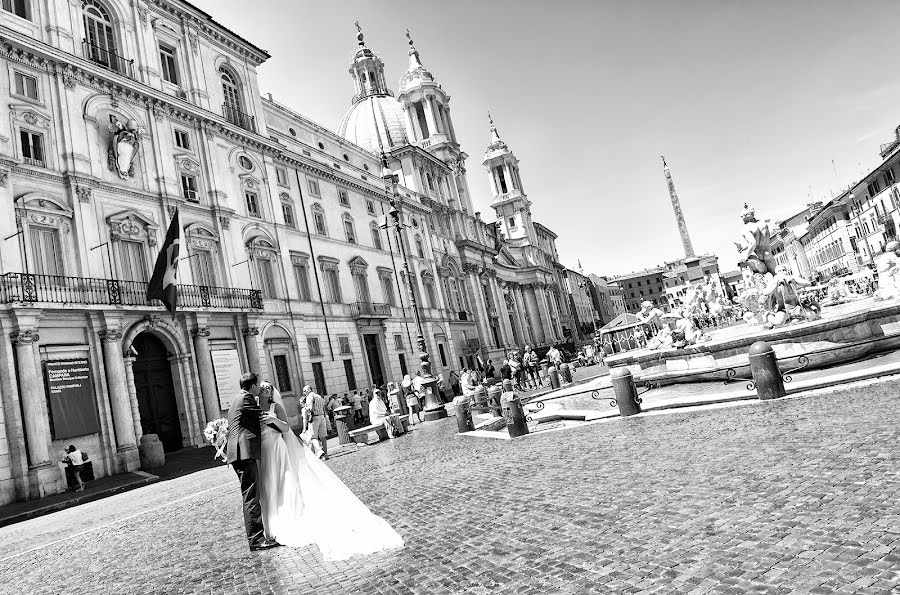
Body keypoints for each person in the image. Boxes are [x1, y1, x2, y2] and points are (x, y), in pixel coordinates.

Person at [254, 379, 404, 559]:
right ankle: (270, 519)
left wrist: (272, 419)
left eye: (268, 388)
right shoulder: (254, 406)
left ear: (271, 392)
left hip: (276, 448)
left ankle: (282, 518)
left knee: (280, 481)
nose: (264, 389)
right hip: (263, 450)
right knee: (267, 484)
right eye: (262, 387)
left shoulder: (275, 407)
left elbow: (285, 428)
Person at [226, 372, 278, 551]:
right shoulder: (247, 398)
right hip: (244, 452)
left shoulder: (237, 398)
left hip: (238, 452)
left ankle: (256, 538)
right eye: (258, 386)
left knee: (249, 495)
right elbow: (262, 417)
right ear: (254, 386)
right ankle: (256, 539)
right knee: (251, 497)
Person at [302, 385, 329, 460]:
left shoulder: (309, 397)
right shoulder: (319, 396)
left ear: (309, 390)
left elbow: (310, 408)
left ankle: (320, 451)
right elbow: (324, 407)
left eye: (305, 391)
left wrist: (305, 408)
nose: (304, 392)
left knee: (313, 437)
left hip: (314, 417)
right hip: (322, 417)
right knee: (323, 437)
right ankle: (325, 454)